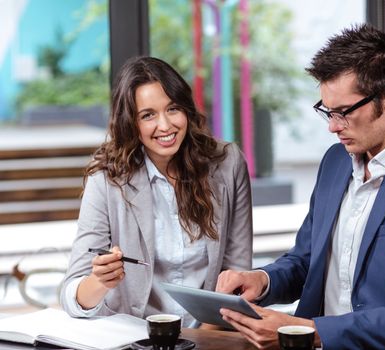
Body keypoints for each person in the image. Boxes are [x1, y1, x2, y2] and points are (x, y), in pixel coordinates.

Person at [216, 24, 385, 349]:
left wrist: (310, 331)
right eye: (326, 111)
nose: (332, 127)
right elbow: (306, 260)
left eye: (343, 113)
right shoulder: (336, 162)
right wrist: (262, 280)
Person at [60, 56, 253, 326]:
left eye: (173, 109)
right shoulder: (107, 179)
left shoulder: (228, 163)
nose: (165, 126)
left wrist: (203, 337)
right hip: (134, 337)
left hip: (209, 335)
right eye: (148, 115)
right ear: (130, 122)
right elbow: (71, 297)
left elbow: (238, 271)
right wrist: (99, 282)